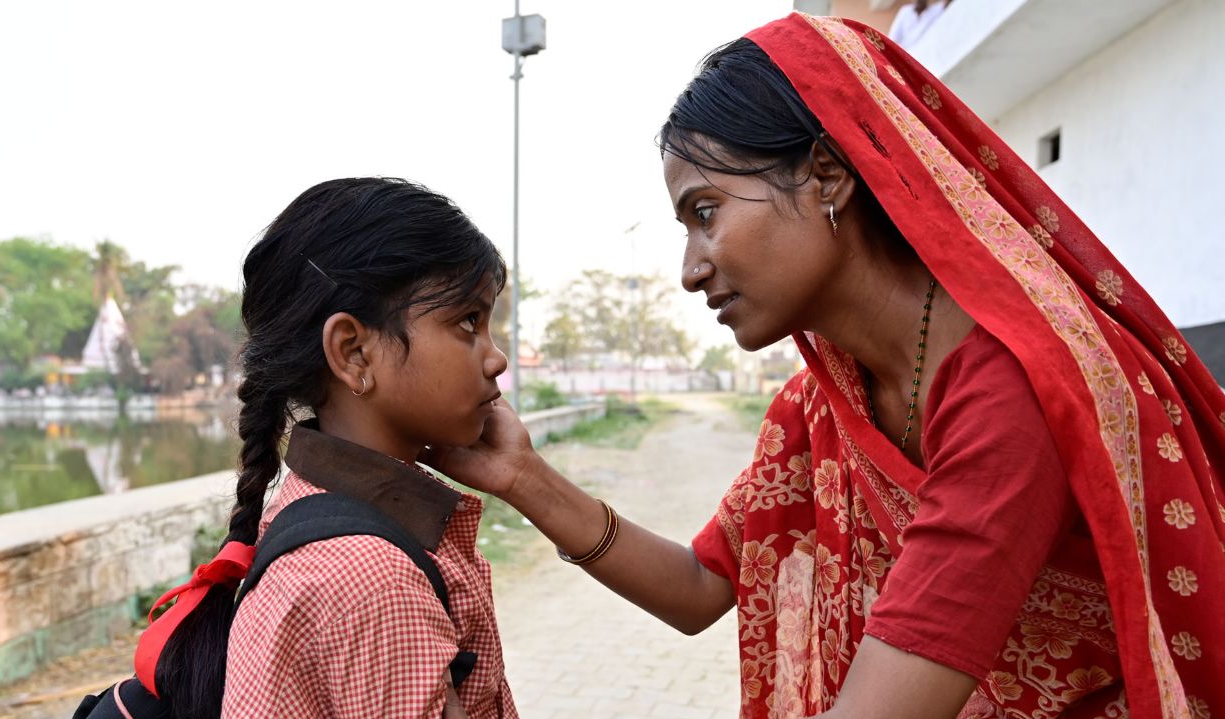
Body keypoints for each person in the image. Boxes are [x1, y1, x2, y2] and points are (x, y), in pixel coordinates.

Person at [423, 13, 1225, 719]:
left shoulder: (1012, 393)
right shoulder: (822, 403)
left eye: (706, 212)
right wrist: (521, 476)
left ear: (828, 175)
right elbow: (701, 586)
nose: (690, 269)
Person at [130, 178, 517, 718]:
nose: (496, 358)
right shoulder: (373, 580)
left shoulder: (323, 512)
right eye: (468, 322)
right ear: (353, 352)